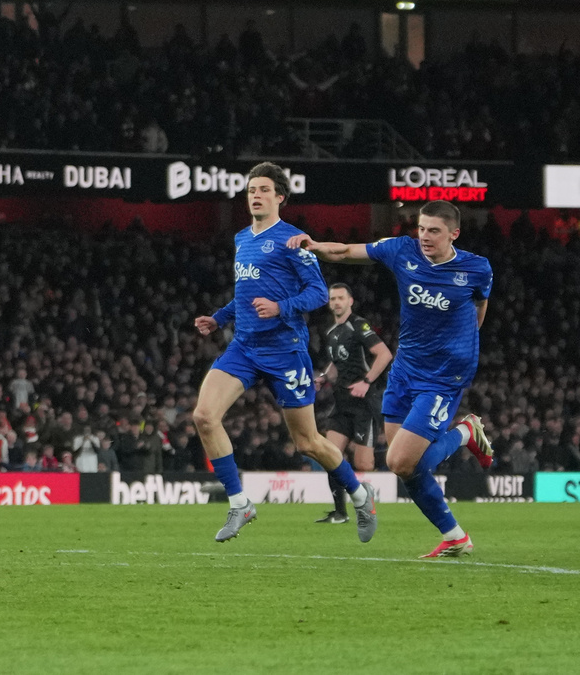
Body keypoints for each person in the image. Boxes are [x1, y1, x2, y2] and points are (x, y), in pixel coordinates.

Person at [288, 200, 493, 558]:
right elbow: (347, 251)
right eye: (421, 228)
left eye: (434, 231)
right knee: (406, 468)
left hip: (444, 376)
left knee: (401, 461)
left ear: (454, 234)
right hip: (405, 368)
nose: (424, 236)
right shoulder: (402, 250)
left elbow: (479, 309)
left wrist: (458, 345)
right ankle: (455, 536)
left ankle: (465, 432)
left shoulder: (476, 268)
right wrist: (316, 246)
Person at [193, 162, 377, 543]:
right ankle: (240, 503)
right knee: (204, 416)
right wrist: (219, 318)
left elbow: (319, 293)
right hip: (244, 346)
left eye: (263, 190)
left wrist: (281, 307)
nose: (255, 196)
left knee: (308, 442)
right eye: (251, 190)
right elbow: (245, 294)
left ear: (280, 197)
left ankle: (360, 496)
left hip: (285, 351)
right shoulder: (242, 238)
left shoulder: (293, 240)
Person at [314, 283, 393, 524]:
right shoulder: (331, 332)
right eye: (333, 299)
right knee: (330, 456)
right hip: (341, 403)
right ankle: (340, 513)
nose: (336, 302)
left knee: (364, 464)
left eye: (341, 298)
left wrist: (366, 382)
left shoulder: (359, 325)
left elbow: (384, 354)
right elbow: (337, 362)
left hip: (363, 404)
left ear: (350, 301)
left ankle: (397, 461)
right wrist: (324, 377)